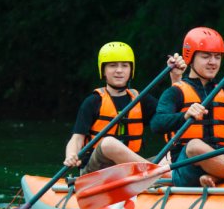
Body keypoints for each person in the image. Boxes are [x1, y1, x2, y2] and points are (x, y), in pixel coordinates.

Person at [152, 26, 224, 187]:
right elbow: (157, 123)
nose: (213, 62)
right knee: (195, 145)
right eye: (206, 56)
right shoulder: (175, 92)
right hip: (187, 167)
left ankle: (218, 175)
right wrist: (185, 115)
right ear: (190, 58)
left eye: (217, 57)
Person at [63, 42, 183, 174]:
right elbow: (77, 138)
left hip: (130, 170)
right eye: (112, 65)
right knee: (108, 143)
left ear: (131, 70)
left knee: (179, 153)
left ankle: (160, 173)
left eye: (124, 66)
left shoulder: (140, 99)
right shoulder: (93, 101)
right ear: (103, 70)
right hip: (96, 171)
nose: (119, 70)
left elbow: (171, 117)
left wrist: (176, 78)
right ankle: (159, 174)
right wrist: (71, 155)